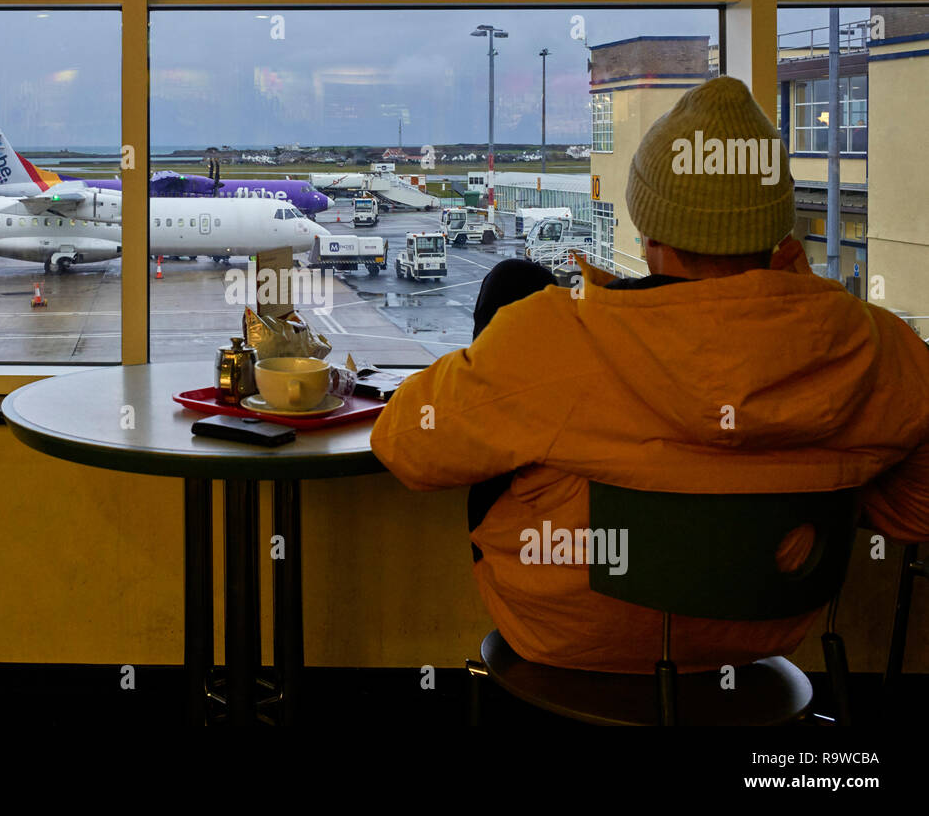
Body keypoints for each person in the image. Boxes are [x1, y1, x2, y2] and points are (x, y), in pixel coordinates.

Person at [370, 75, 929, 673]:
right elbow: (918, 510)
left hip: (568, 633)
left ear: (649, 224)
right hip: (762, 639)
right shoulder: (878, 346)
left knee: (511, 283)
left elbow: (405, 446)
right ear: (777, 229)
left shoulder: (557, 336)